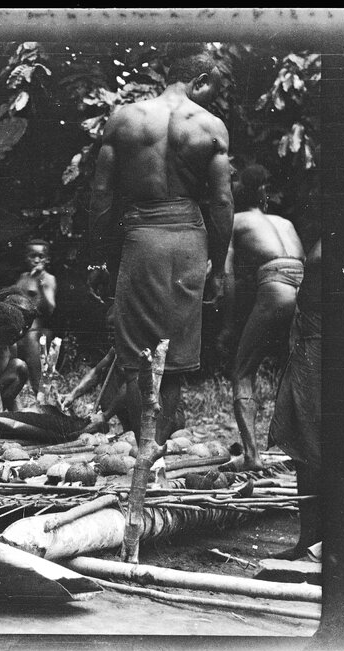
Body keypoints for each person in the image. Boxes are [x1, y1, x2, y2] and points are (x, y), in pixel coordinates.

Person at [89, 51, 233, 446]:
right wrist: (217, 267)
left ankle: (139, 449)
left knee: (137, 354)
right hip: (188, 237)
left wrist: (98, 260)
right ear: (200, 80)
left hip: (142, 237)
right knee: (175, 356)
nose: (210, 100)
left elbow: (102, 194)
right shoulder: (210, 125)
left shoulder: (124, 118)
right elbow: (221, 202)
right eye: (212, 92)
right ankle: (156, 454)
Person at [217, 164, 305, 472]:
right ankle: (306, 452)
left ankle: (252, 456)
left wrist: (228, 326)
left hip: (276, 286)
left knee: (242, 371)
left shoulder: (235, 221)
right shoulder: (285, 222)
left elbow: (226, 276)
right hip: (303, 287)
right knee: (301, 370)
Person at [267, 239, 321, 559]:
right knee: (304, 444)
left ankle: (318, 539)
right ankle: (310, 538)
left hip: (325, 345)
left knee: (316, 445)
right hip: (312, 342)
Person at [12, 239, 58, 399]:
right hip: (18, 329)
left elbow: (50, 308)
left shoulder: (48, 279)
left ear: (47, 259)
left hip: (36, 331)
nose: (37, 260)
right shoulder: (23, 277)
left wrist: (40, 285)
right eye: (33, 256)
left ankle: (40, 397)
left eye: (41, 256)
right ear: (27, 257)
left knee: (30, 338)